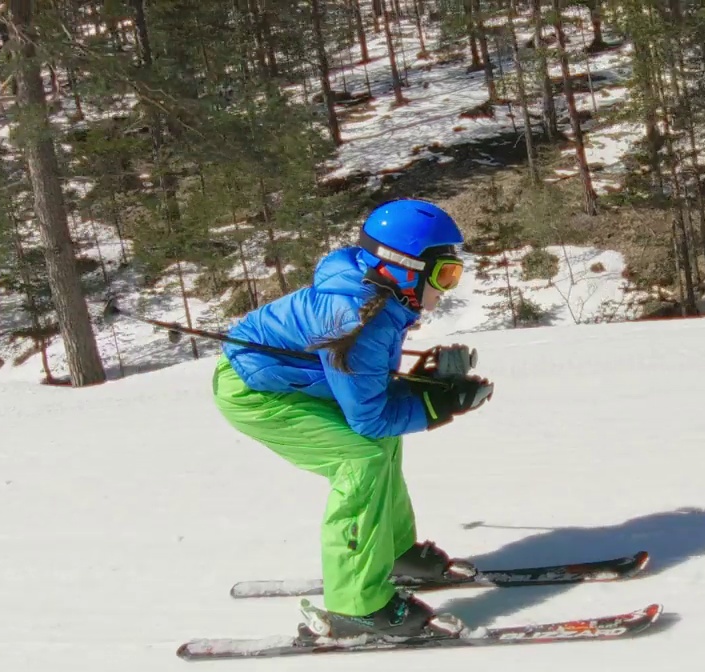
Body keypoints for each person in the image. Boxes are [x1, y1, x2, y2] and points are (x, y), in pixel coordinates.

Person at [210, 198, 494, 640]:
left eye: (454, 273)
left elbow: (369, 389)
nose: (449, 287)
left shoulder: (378, 298)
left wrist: (427, 387)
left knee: (384, 444)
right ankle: (355, 606)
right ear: (401, 268)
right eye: (444, 274)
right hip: (254, 394)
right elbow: (368, 418)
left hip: (290, 382)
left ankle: (394, 552)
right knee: (360, 459)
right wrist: (441, 405)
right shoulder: (358, 316)